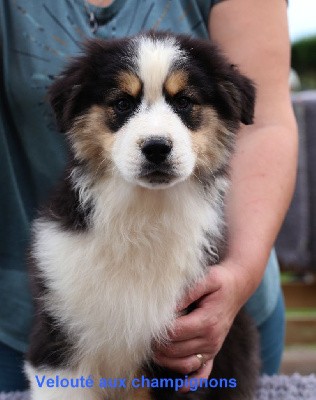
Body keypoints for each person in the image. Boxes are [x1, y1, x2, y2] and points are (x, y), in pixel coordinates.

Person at [0, 0, 297, 392]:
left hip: (222, 334)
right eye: (122, 103)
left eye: (185, 102)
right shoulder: (62, 250)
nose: (156, 136)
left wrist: (238, 273)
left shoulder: (204, 257)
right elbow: (61, 369)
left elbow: (267, 126)